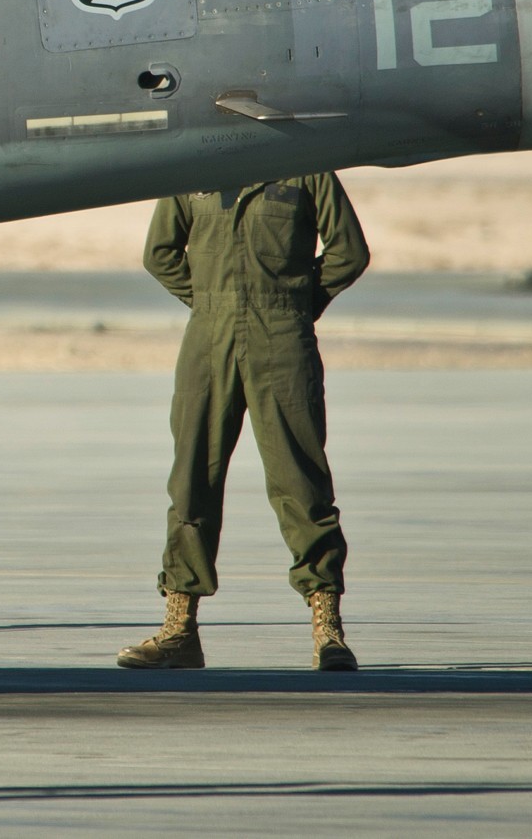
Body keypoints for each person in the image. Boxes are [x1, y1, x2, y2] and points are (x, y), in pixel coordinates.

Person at [118, 174, 370, 673]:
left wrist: (296, 303)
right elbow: (159, 253)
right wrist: (212, 301)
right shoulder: (193, 165)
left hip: (282, 338)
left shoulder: (310, 167)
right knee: (192, 482)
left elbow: (349, 253)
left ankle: (328, 631)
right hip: (209, 341)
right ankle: (179, 630)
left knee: (301, 484)